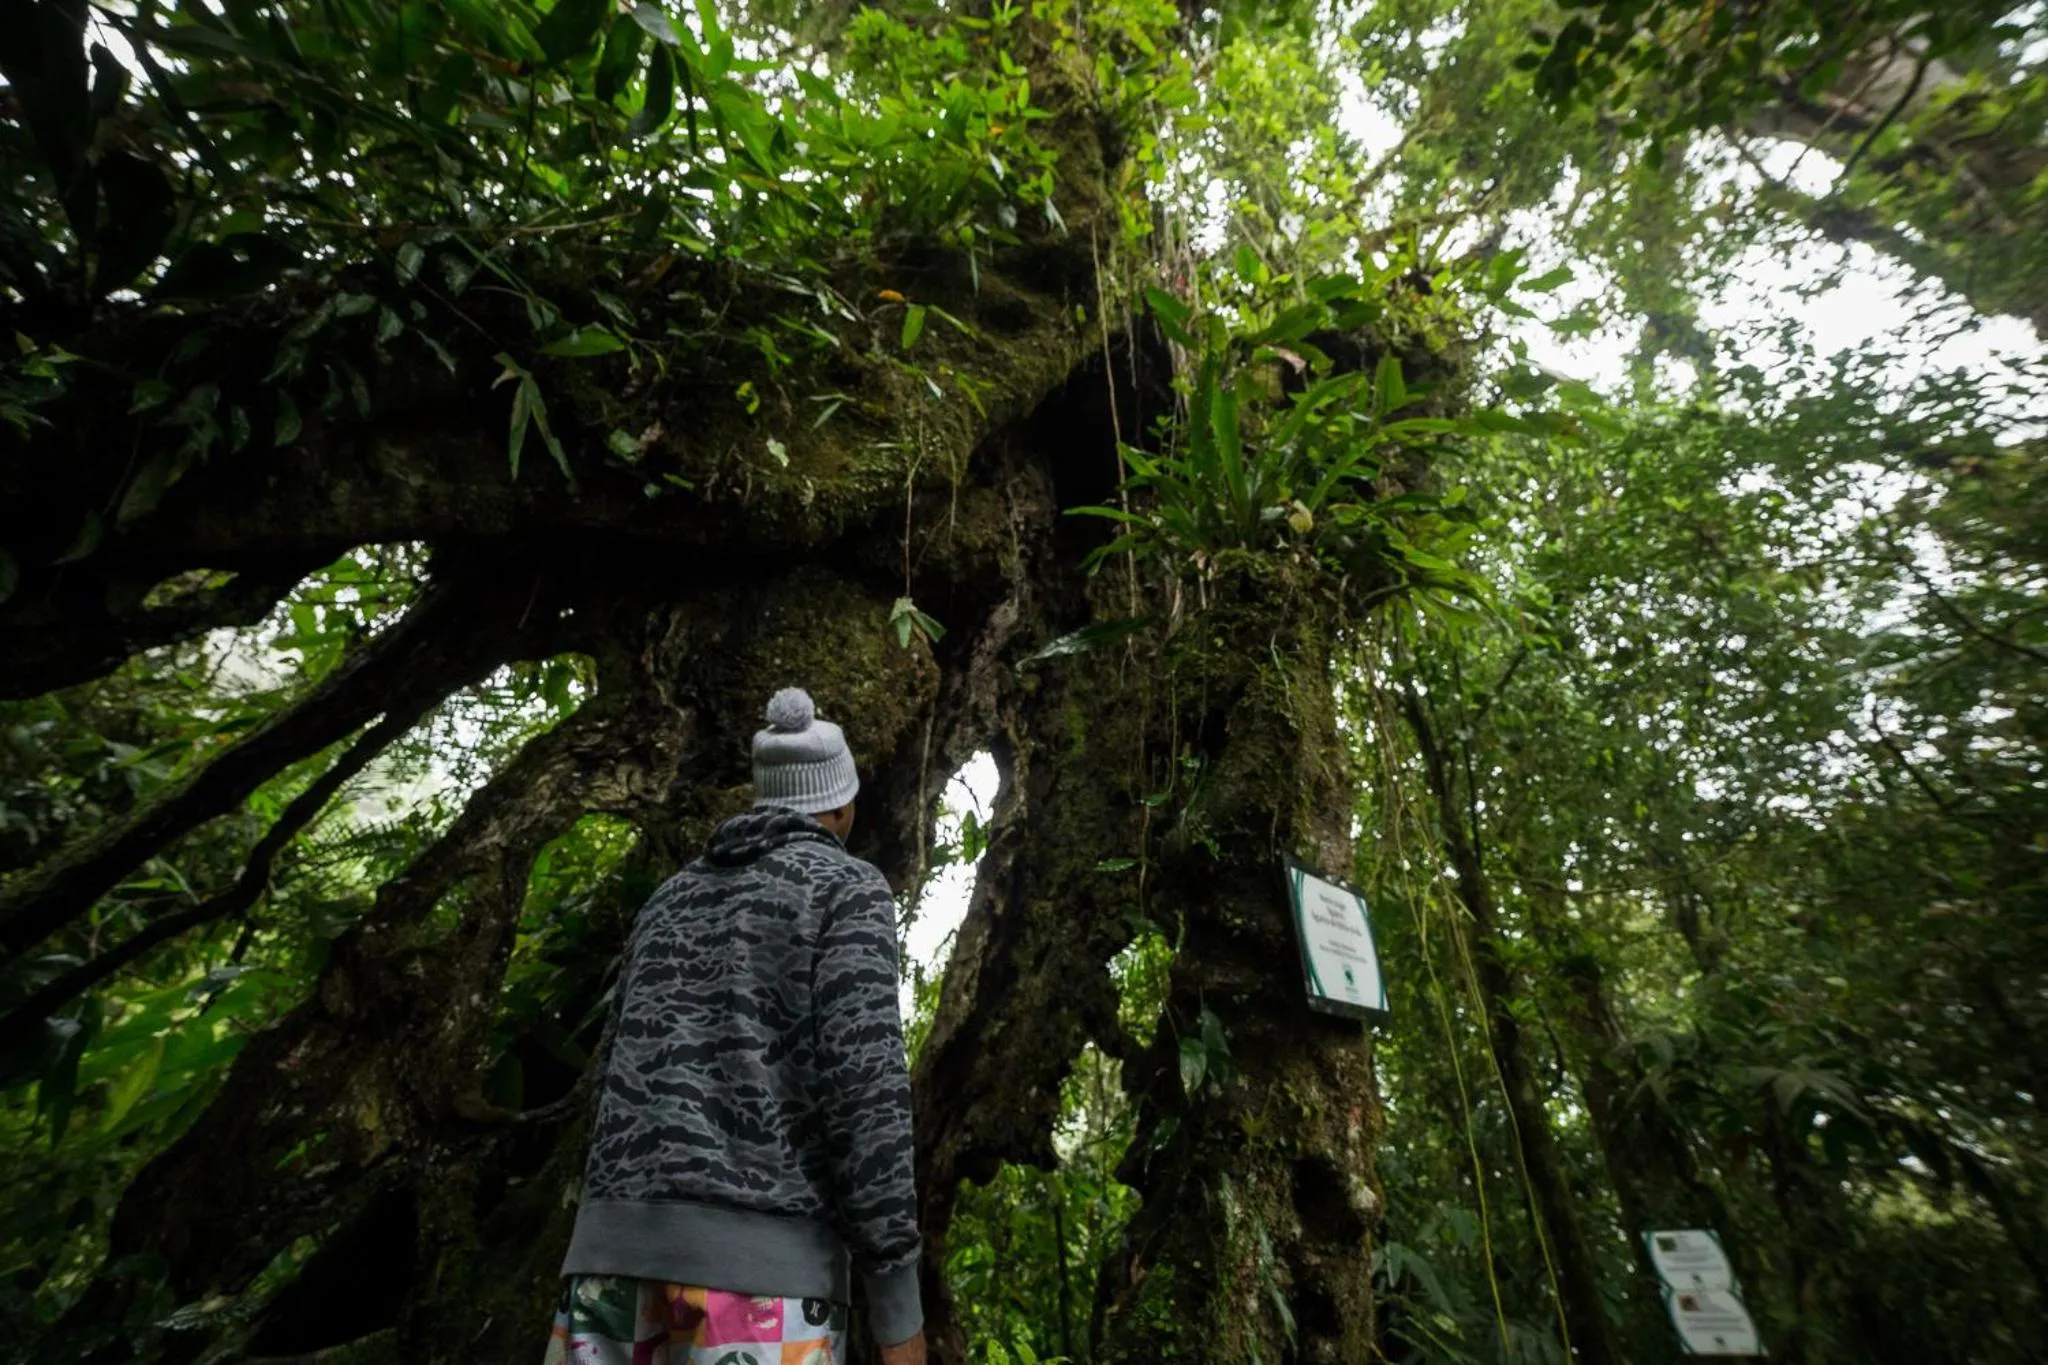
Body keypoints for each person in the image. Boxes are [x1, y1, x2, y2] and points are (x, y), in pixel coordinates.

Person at [546, 687, 926, 1365]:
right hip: (758, 1290)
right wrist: (897, 1307)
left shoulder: (667, 899)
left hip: (607, 1277)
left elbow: (608, 1079)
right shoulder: (847, 889)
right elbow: (865, 1095)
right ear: (841, 805)